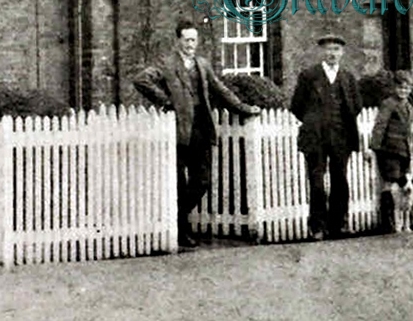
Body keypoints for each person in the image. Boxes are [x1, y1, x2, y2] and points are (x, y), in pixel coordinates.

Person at [133, 19, 261, 248]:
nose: (191, 44)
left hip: (201, 128)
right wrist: (166, 101)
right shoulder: (167, 64)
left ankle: (178, 219)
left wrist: (243, 108)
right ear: (178, 41)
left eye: (194, 40)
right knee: (179, 183)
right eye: (187, 40)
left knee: (203, 180)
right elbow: (141, 80)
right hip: (179, 130)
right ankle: (182, 231)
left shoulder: (202, 64)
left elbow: (220, 90)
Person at [290, 34, 362, 241]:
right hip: (316, 137)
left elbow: (356, 106)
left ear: (342, 53)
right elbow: (297, 106)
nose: (332, 53)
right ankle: (317, 227)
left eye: (336, 49)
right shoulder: (309, 76)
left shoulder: (348, 78)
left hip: (341, 136)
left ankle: (339, 225)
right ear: (321, 51)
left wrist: (340, 125)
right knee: (317, 182)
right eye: (329, 49)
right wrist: (315, 122)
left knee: (340, 180)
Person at [370, 69, 413, 233]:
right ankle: (388, 223)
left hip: (404, 151)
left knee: (405, 185)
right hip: (389, 150)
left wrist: (410, 148)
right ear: (394, 88)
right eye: (400, 87)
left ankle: (409, 221)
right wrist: (373, 147)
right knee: (389, 183)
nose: (403, 91)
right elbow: (380, 125)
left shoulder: (408, 106)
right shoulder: (388, 104)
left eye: (407, 88)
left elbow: (408, 131)